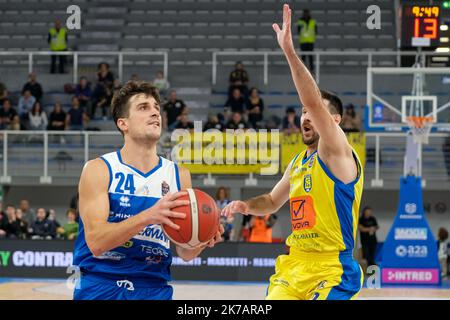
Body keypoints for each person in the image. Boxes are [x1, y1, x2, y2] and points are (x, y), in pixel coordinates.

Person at [221, 5, 364, 300]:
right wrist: (246, 206)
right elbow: (272, 200)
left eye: (313, 112)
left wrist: (288, 51)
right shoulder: (299, 162)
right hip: (295, 264)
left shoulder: (338, 149)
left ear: (334, 121)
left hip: (332, 268)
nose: (305, 117)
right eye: (301, 112)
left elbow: (312, 101)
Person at [73, 80, 223, 300]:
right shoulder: (99, 169)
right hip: (102, 285)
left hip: (153, 287)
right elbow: (96, 242)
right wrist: (148, 216)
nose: (155, 113)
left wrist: (202, 238)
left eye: (156, 107)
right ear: (123, 123)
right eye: (144, 107)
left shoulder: (179, 175)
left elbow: (184, 251)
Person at [297, 9, 317, 73]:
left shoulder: (313, 21)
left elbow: (316, 30)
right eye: (305, 13)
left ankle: (311, 70)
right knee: (303, 57)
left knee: (311, 56)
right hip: (303, 41)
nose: (306, 14)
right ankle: (302, 70)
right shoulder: (300, 21)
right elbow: (298, 30)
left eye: (307, 13)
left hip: (310, 41)